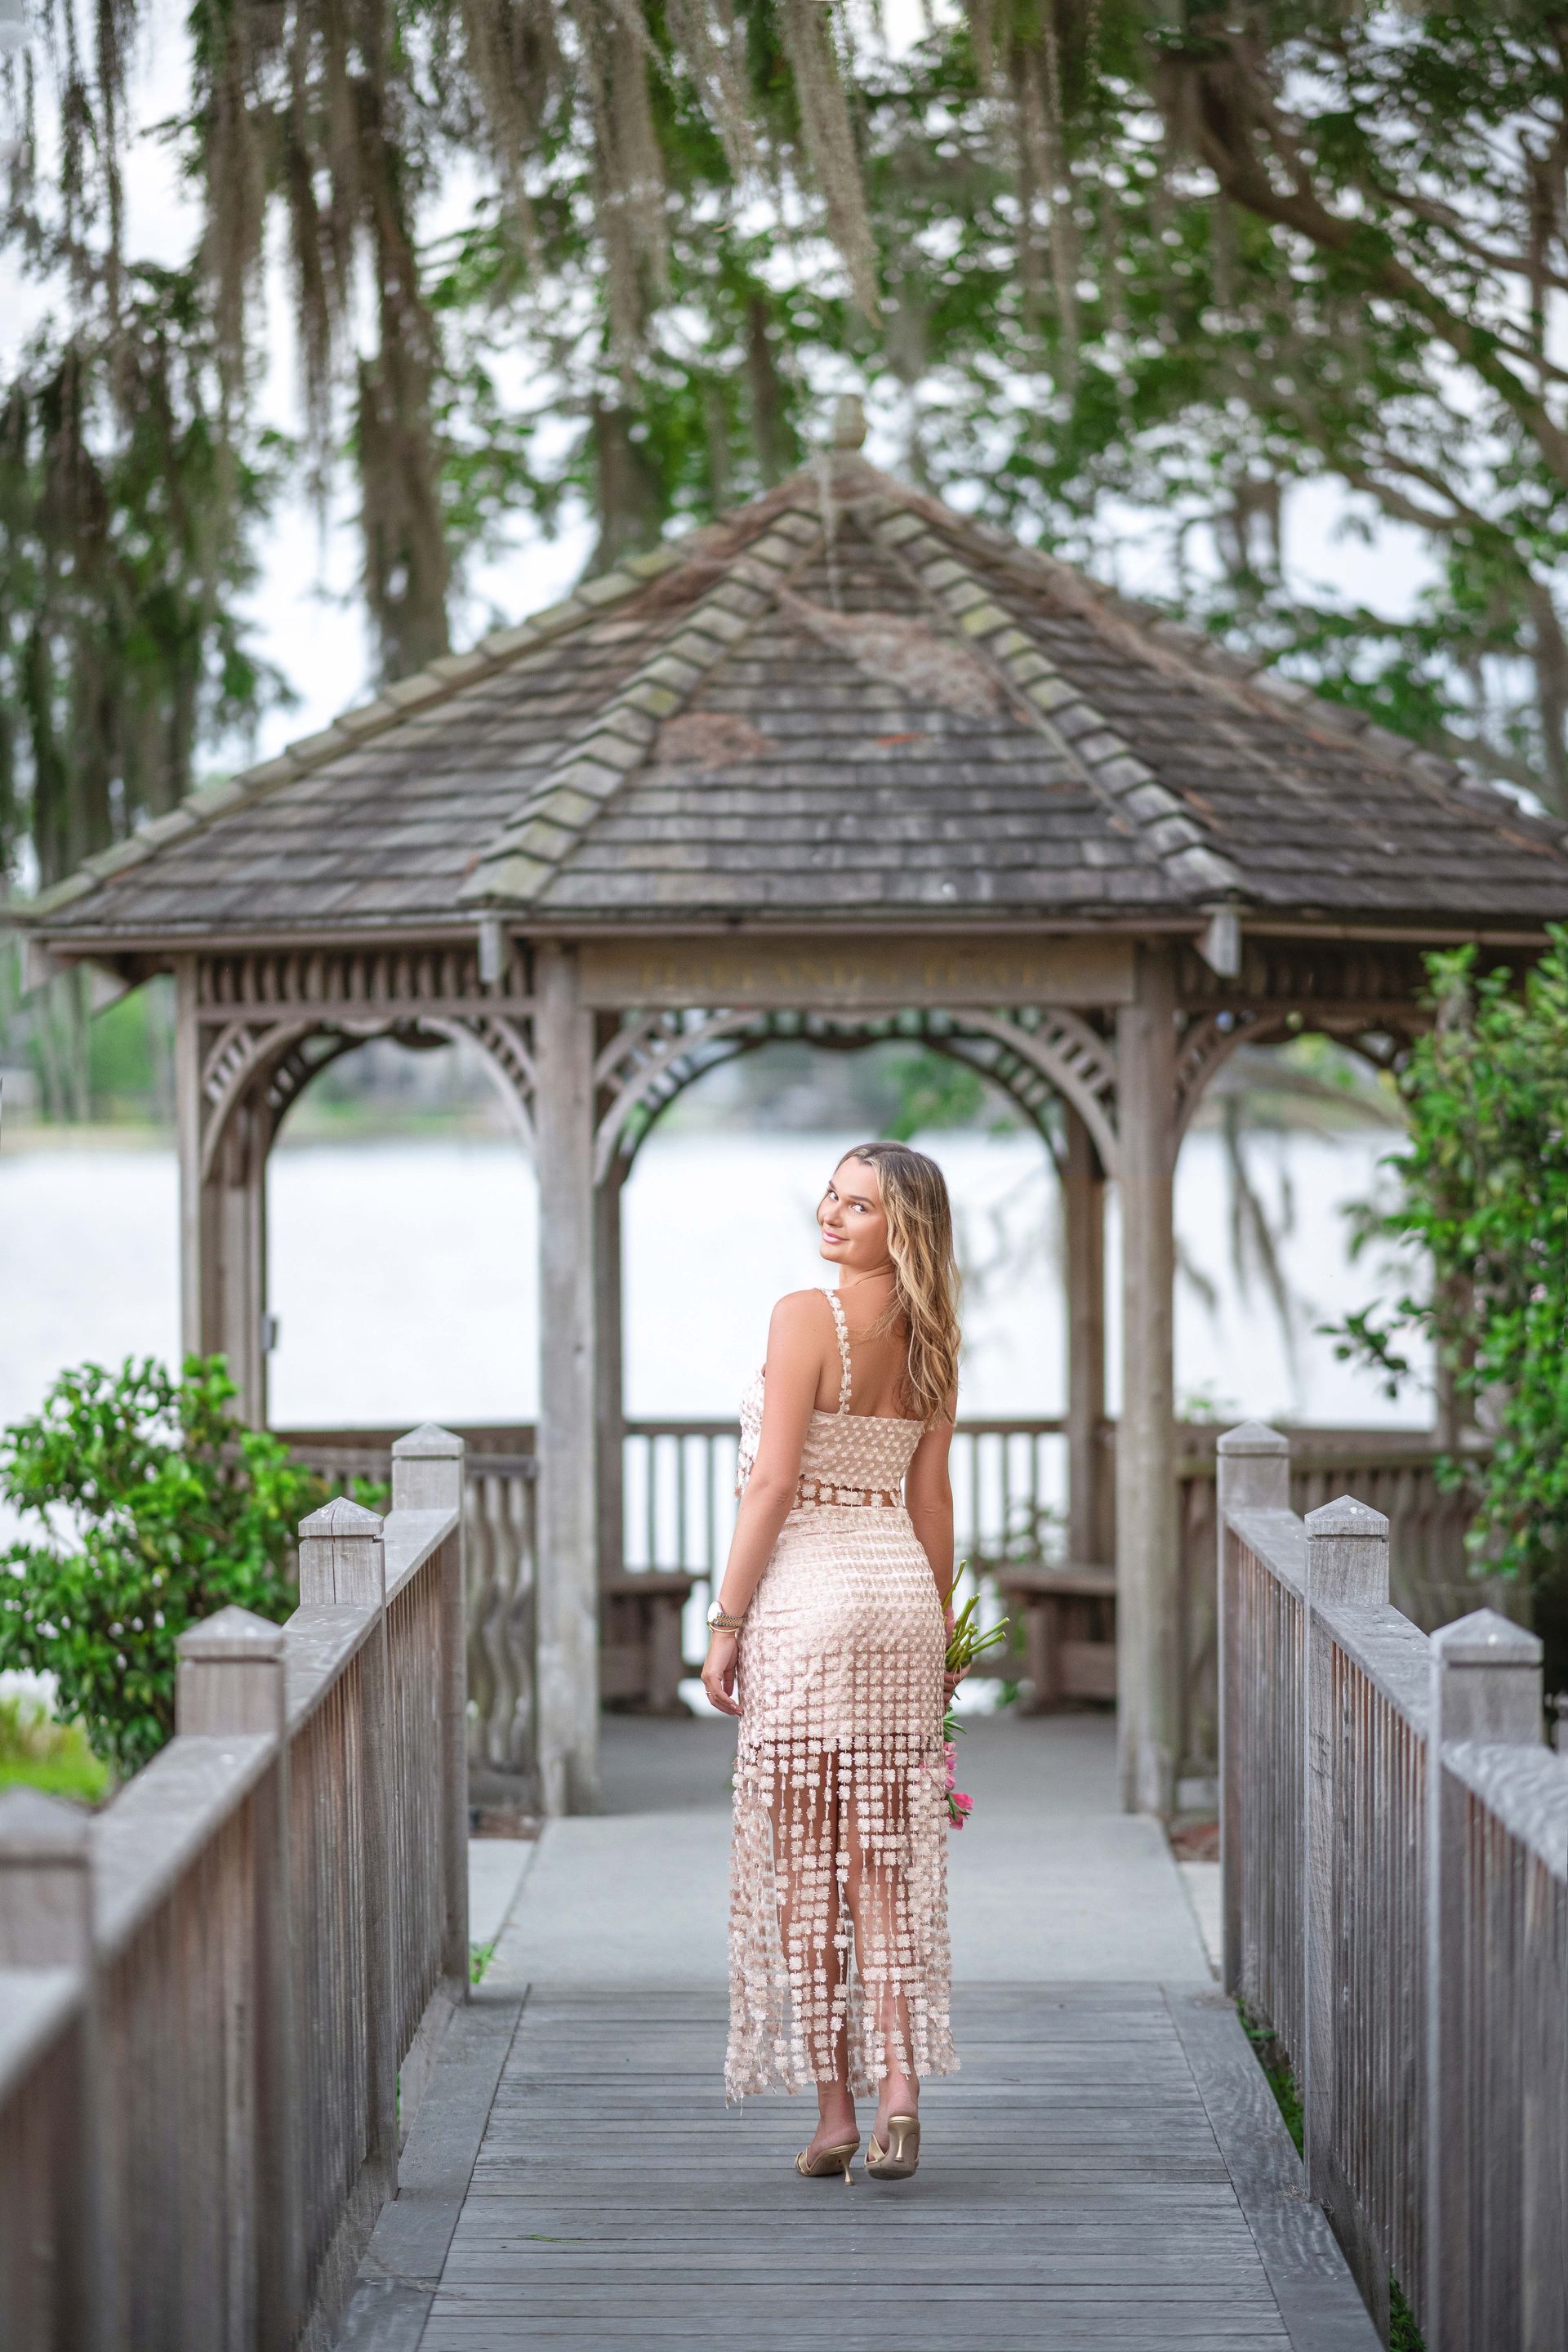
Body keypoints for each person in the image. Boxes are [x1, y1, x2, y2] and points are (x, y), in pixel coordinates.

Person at [702, 1140, 962, 2183]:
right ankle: (904, 2088)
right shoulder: (936, 1333)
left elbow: (770, 1487)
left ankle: (836, 2114)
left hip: (809, 1599)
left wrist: (726, 1623)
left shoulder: (804, 1314)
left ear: (899, 1228)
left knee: (808, 1869)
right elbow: (931, 1501)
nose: (831, 1215)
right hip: (899, 1595)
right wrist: (941, 1637)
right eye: (832, 1195)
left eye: (857, 1207)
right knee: (883, 1866)